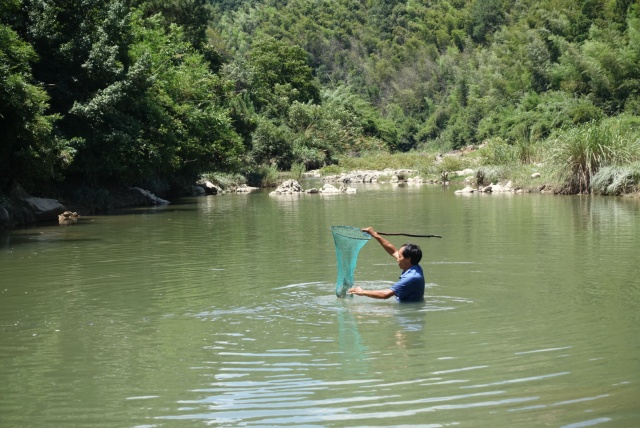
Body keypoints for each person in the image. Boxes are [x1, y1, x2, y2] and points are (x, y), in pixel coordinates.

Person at [348, 227, 425, 302]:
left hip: (407, 310)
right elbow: (393, 251)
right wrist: (374, 234)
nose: (397, 258)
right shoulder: (413, 266)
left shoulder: (411, 277)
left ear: (408, 259)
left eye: (400, 256)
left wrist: (362, 292)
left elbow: (385, 294)